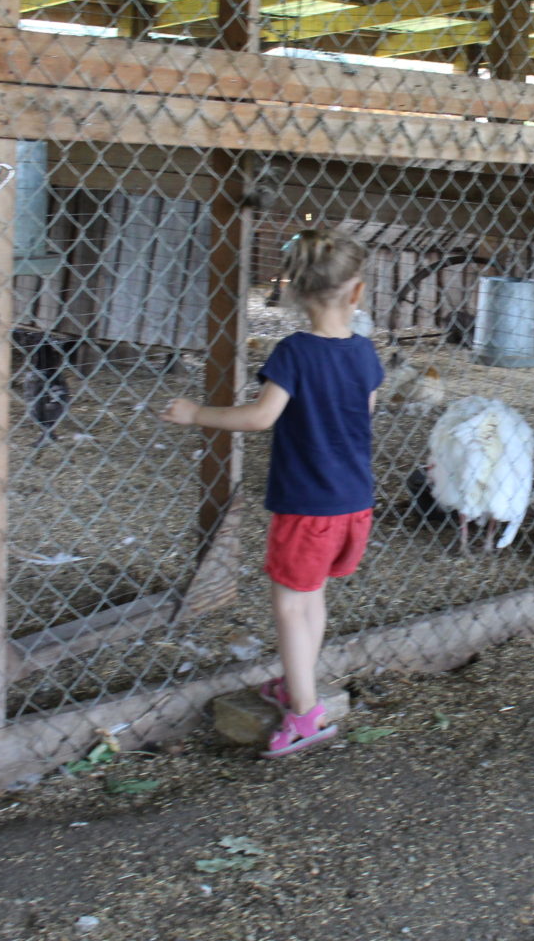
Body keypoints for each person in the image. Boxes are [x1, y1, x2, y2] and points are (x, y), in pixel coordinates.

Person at [162, 230, 383, 758]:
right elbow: (367, 411)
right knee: (313, 598)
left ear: (298, 293)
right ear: (357, 293)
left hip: (306, 506)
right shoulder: (366, 353)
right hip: (354, 503)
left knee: (289, 604)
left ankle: (305, 714)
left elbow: (262, 417)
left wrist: (197, 414)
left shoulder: (294, 353)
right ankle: (300, 681)